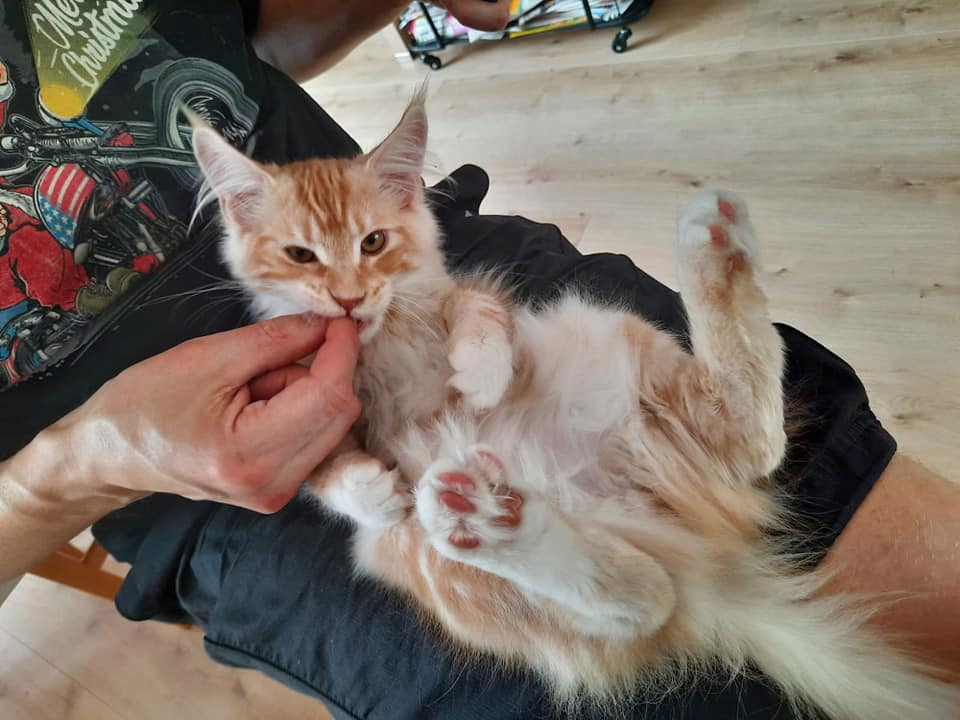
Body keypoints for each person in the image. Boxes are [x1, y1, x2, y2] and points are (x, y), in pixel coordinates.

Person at [0, 2, 957, 718]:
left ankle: (735, 413)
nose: (346, 288)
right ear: (243, 227)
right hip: (208, 505)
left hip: (500, 372)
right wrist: (70, 467)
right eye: (305, 262)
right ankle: (605, 588)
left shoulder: (396, 249)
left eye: (369, 250)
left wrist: (477, 330)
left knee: (587, 333)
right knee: (409, 545)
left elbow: (253, 39)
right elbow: (350, 472)